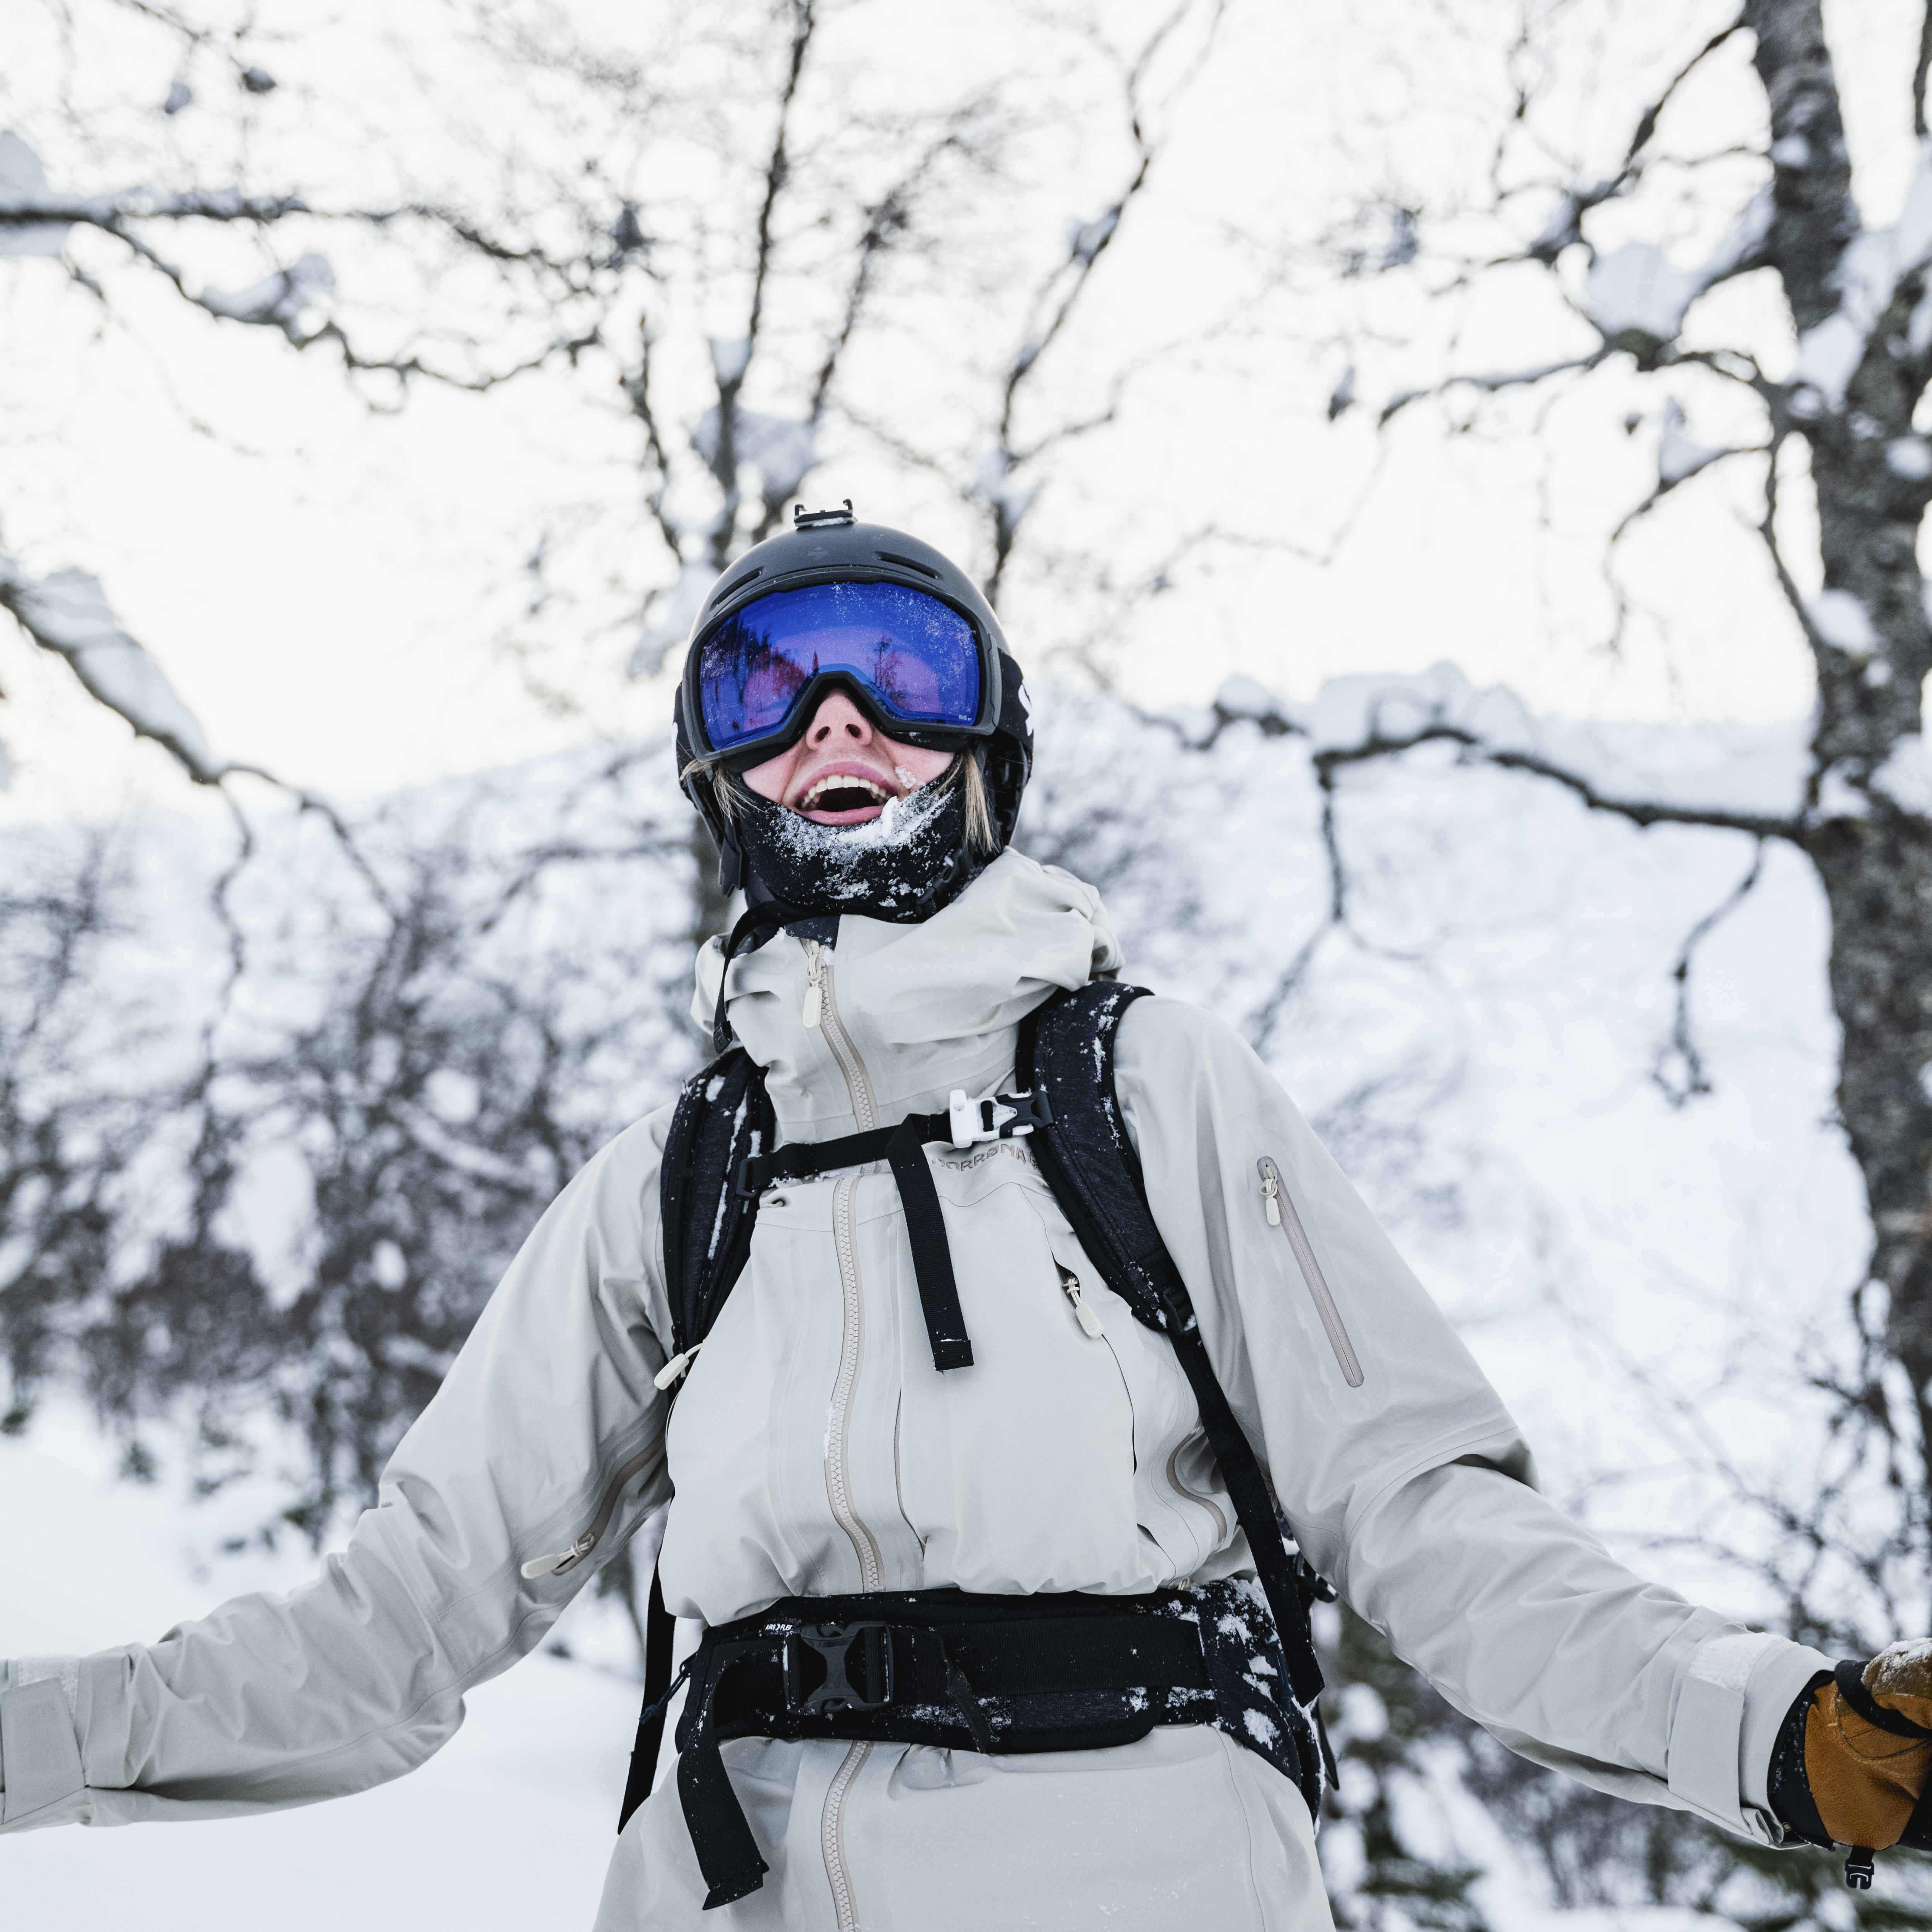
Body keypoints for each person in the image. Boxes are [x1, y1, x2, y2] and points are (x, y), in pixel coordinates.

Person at [2, 505, 1929, 1929]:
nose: (835, 723)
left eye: (899, 672)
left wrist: (1772, 1724)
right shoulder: (672, 1184)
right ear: (719, 773)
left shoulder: (1151, 1081)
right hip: (730, 1875)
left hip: (1139, 1864)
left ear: (986, 744)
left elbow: (1418, 1512)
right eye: (765, 686)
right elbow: (387, 1629)